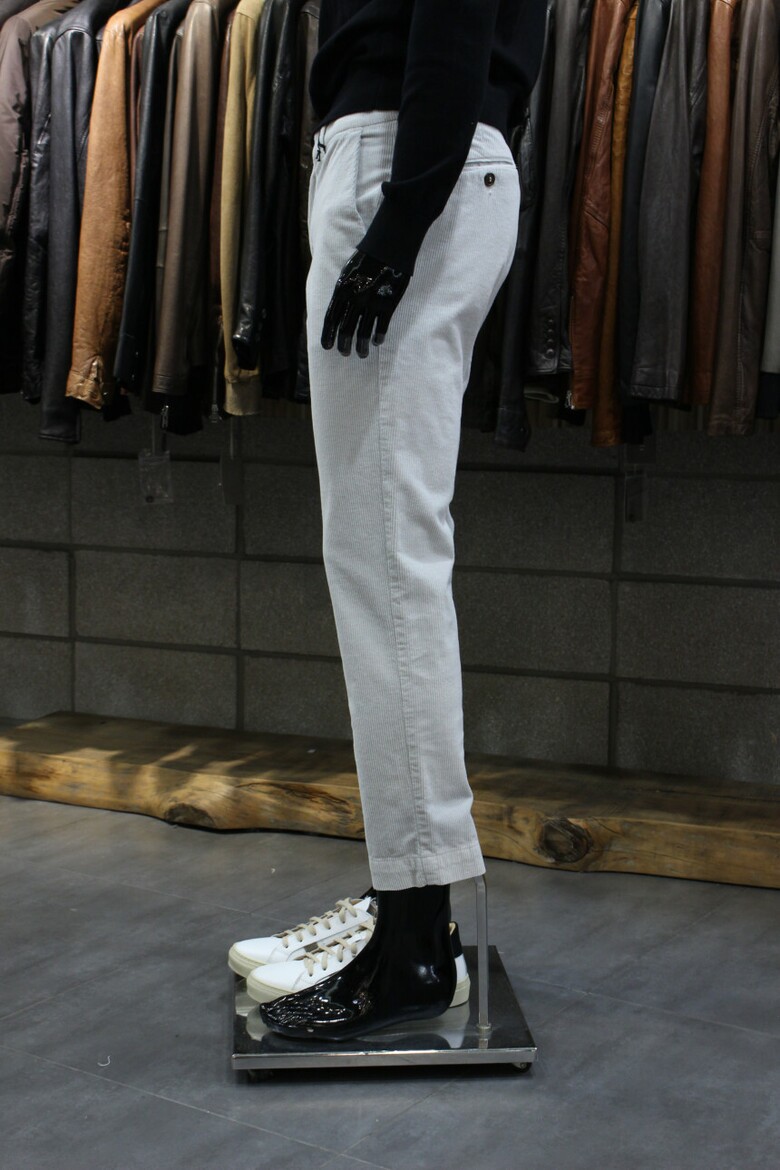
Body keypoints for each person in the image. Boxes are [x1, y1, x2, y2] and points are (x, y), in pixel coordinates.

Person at [257, 0, 546, 1042]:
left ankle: (416, 939)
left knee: (383, 559)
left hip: (407, 161)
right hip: (426, 157)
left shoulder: (409, 168)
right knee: (389, 551)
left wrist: (403, 207)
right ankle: (411, 907)